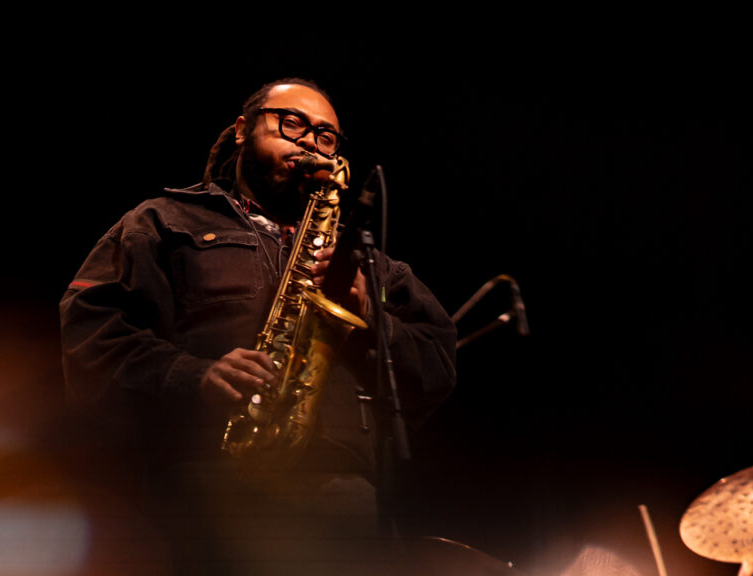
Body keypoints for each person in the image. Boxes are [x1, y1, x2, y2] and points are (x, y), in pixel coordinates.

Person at [59, 78, 457, 575]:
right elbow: (89, 337)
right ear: (243, 130)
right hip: (203, 490)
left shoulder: (372, 265)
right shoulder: (160, 222)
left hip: (341, 502)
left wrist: (371, 315)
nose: (310, 141)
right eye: (292, 123)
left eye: (326, 136)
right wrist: (192, 373)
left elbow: (439, 365)